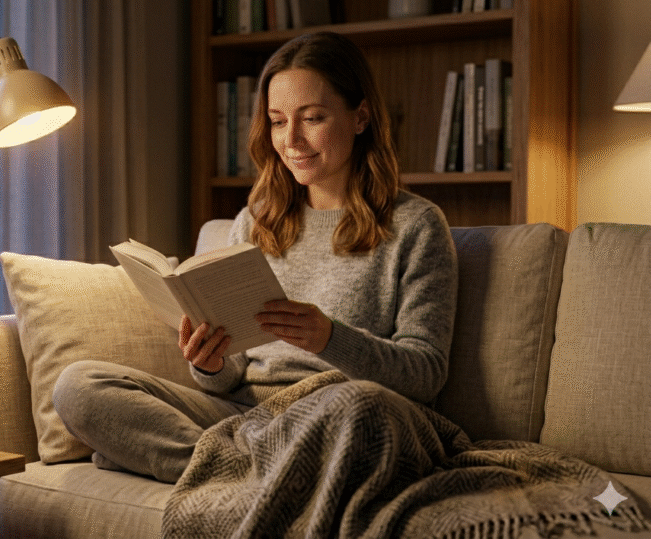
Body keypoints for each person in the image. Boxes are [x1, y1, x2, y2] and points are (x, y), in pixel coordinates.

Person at [52, 31, 457, 485]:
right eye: (278, 121)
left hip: (340, 415)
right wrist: (209, 362)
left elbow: (425, 375)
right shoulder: (255, 221)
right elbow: (230, 378)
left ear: (360, 116)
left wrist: (329, 338)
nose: (292, 140)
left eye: (313, 118)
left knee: (360, 412)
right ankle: (259, 474)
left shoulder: (418, 226)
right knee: (80, 386)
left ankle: (211, 468)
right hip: (245, 415)